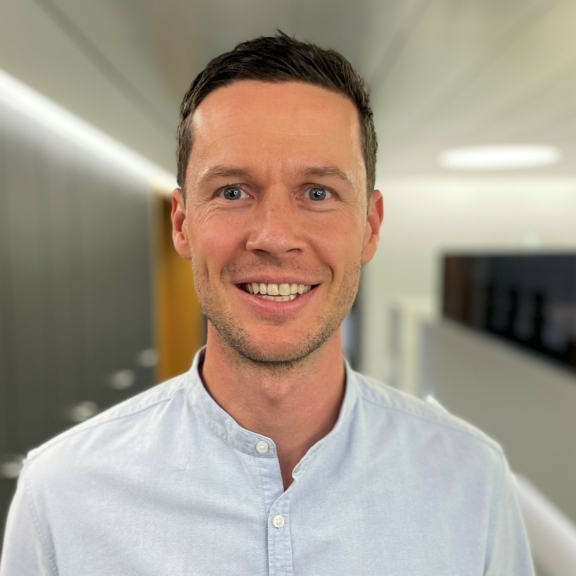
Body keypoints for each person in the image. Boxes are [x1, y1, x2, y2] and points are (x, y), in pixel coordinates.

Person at [1, 32, 534, 575]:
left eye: (318, 193)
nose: (275, 237)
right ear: (182, 224)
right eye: (232, 192)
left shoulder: (471, 482)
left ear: (370, 227)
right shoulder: (61, 496)